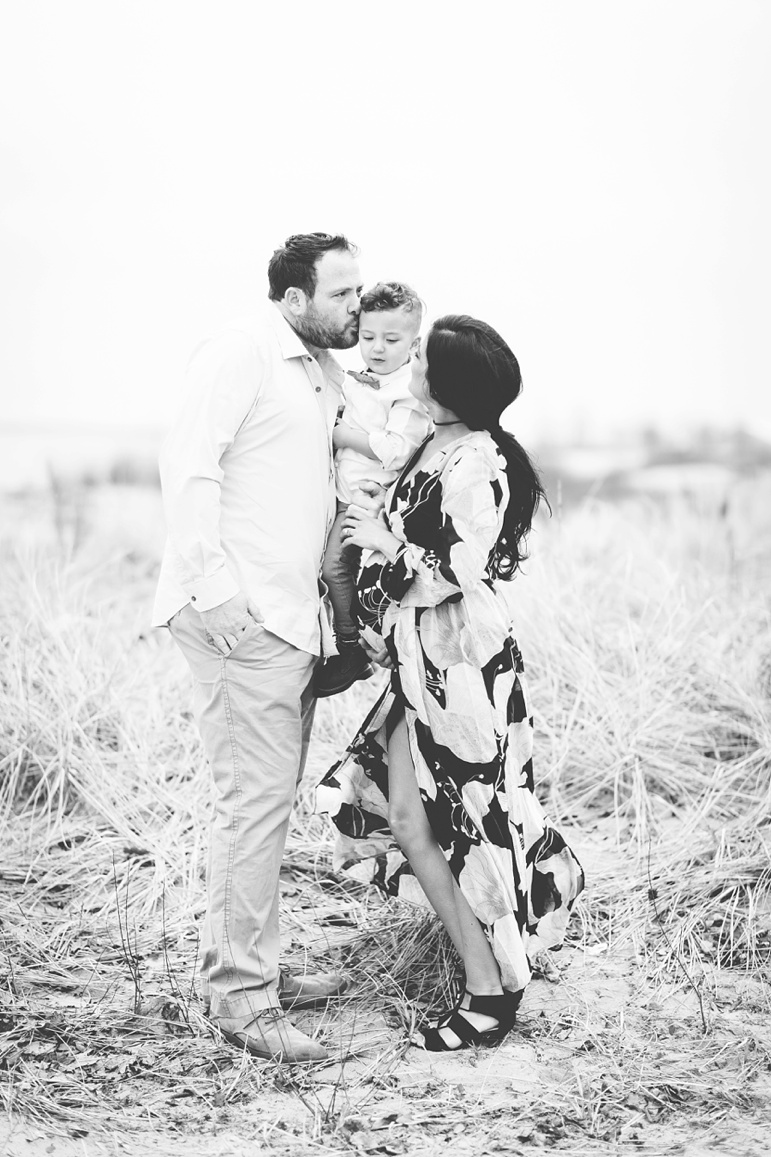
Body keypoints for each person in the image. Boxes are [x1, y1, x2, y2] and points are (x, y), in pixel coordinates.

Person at [316, 315, 585, 1051]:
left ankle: (490, 991)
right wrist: (372, 612)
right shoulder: (429, 441)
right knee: (408, 819)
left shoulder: (481, 462)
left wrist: (383, 546)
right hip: (416, 661)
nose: (411, 363)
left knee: (465, 822)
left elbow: (459, 569)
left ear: (449, 381)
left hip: (461, 667)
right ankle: (486, 976)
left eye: (424, 359)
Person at [153, 232, 364, 1063]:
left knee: (264, 805)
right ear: (293, 298)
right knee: (254, 806)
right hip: (241, 621)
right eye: (343, 294)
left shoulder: (321, 375)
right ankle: (241, 999)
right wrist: (219, 594)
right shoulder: (241, 353)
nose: (356, 305)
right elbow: (189, 465)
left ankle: (252, 967)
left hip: (290, 621)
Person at [315, 281, 432, 698]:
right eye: (367, 337)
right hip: (338, 491)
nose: (377, 348)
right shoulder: (356, 379)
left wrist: (342, 435)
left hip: (369, 499)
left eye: (391, 339)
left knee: (336, 568)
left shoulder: (408, 392)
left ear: (413, 343)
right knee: (329, 571)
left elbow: (396, 452)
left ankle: (353, 648)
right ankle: (348, 639)